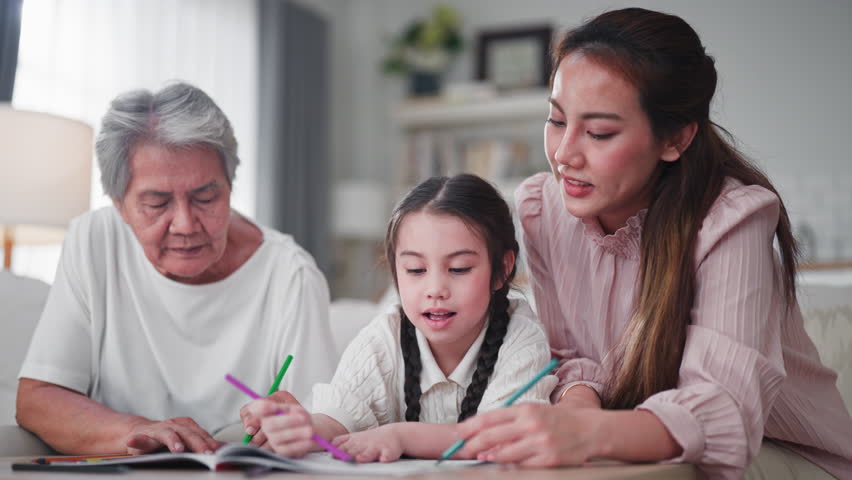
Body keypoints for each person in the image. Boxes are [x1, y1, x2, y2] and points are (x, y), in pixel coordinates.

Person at [454, 8, 852, 480]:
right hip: (639, 441)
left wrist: (587, 435)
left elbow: (722, 410)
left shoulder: (730, 220)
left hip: (783, 453)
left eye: (599, 132)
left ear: (676, 138)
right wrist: (578, 407)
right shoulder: (543, 208)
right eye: (557, 120)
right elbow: (569, 357)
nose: (563, 155)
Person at [16, 82, 337, 455]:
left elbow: (320, 424)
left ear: (230, 188)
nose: (185, 224)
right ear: (120, 205)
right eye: (157, 203)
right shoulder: (95, 239)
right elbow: (38, 398)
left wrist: (296, 422)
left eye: (205, 197)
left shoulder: (290, 275)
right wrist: (140, 430)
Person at [241, 174, 557, 461]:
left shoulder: (523, 337)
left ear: (502, 269)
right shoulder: (383, 339)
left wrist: (401, 435)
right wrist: (302, 426)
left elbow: (505, 437)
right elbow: (338, 419)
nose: (435, 289)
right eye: (416, 270)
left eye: (459, 268)